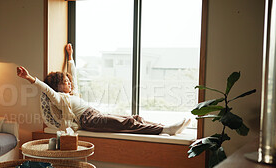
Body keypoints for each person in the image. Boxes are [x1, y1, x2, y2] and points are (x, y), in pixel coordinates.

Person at [17, 44, 190, 135]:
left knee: (134, 117)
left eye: (68, 81)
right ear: (57, 86)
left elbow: (74, 77)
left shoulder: (72, 93)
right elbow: (46, 89)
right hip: (89, 121)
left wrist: (70, 58)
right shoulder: (61, 98)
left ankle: (165, 127)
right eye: (65, 81)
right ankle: (166, 130)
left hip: (94, 114)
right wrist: (29, 77)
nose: (69, 83)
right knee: (127, 123)